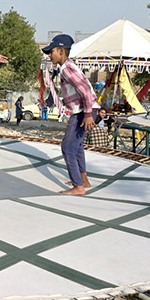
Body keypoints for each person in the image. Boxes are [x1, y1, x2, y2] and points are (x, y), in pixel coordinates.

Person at [43, 34, 97, 195]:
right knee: (77, 146)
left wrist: (87, 114)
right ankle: (83, 180)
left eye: (51, 52)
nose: (49, 55)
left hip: (83, 111)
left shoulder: (66, 69)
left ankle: (78, 186)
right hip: (85, 110)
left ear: (60, 51)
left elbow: (85, 90)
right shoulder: (67, 67)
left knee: (67, 147)